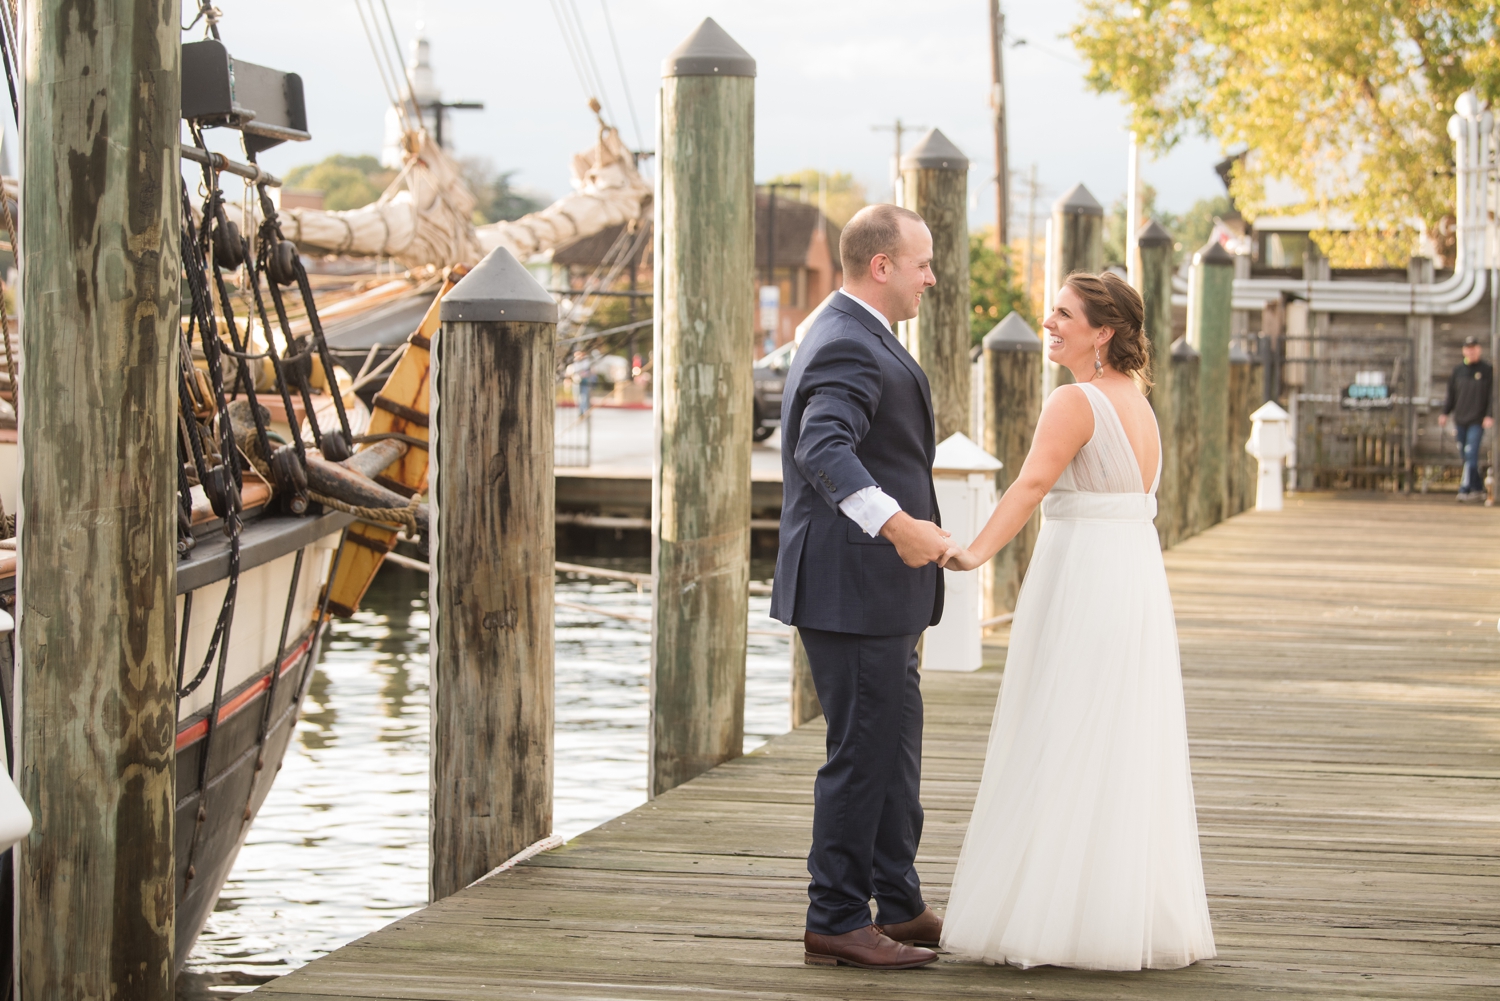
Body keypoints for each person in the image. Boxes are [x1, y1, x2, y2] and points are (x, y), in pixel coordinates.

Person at [937, 272, 1217, 971]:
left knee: (1061, 727)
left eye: (1064, 314)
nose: (1050, 322)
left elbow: (1030, 485)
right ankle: (1114, 915)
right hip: (1132, 578)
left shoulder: (1075, 400)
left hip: (1083, 577)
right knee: (1115, 735)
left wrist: (973, 552)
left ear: (1104, 332)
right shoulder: (1138, 404)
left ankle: (1053, 915)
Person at [770, 204, 950, 971]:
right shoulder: (848, 341)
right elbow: (823, 444)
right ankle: (837, 914)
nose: (931, 277)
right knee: (861, 749)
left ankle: (897, 901)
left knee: (893, 745)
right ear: (883, 266)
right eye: (922, 264)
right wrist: (895, 524)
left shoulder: (851, 331)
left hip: (875, 592)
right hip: (855, 582)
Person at [1438, 335, 1493, 502]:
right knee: (1465, 455)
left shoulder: (1486, 370)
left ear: (1479, 349)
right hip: (1460, 419)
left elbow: (1492, 396)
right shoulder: (1458, 371)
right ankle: (1477, 488)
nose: (1471, 351)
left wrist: (1490, 415)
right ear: (1464, 351)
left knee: (1471, 453)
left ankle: (1464, 488)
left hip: (1477, 420)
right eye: (1468, 348)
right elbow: (1451, 395)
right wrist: (1445, 413)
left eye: (1474, 347)